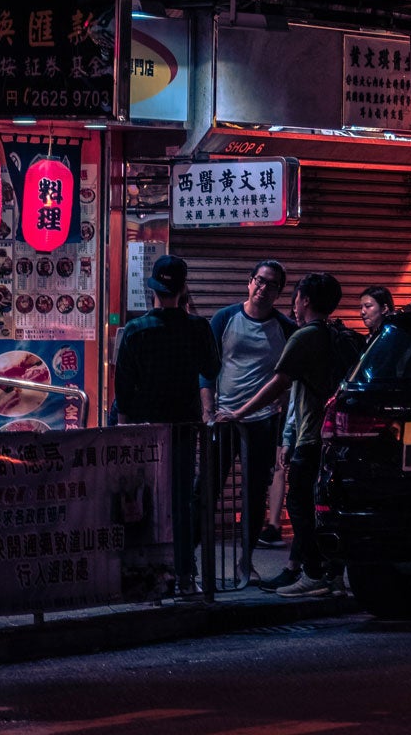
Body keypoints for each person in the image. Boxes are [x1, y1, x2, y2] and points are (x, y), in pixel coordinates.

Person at [220, 273, 356, 598]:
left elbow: (280, 385)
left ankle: (312, 572)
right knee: (324, 506)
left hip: (312, 437)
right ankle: (331, 574)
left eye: (295, 297)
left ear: (304, 300)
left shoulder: (304, 336)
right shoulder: (339, 335)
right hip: (334, 437)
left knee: (300, 505)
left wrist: (239, 413)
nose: (293, 305)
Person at [112, 255, 219, 593]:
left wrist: (124, 423)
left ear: (153, 289)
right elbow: (212, 369)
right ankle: (185, 576)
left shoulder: (136, 330)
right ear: (183, 289)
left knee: (142, 501)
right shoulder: (198, 328)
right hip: (184, 427)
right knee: (182, 502)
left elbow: (123, 385)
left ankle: (144, 578)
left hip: (144, 430)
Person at [208, 260, 295, 589]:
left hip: (261, 421)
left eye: (271, 284)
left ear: (278, 292)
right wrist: (208, 410)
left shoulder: (284, 328)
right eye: (259, 281)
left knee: (254, 493)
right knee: (209, 488)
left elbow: (284, 379)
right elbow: (208, 368)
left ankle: (247, 562)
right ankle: (194, 564)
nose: (263, 288)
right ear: (248, 282)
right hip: (223, 418)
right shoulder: (225, 318)